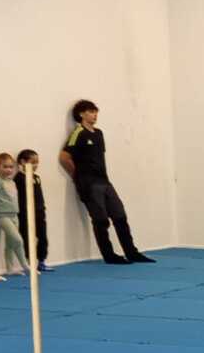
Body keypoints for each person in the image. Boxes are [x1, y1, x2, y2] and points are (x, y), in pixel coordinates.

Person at [58, 99, 154, 265]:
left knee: (120, 216)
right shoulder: (78, 133)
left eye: (96, 112)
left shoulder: (99, 133)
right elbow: (64, 157)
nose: (94, 115)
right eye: (90, 112)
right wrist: (77, 175)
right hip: (89, 184)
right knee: (101, 220)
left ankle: (131, 252)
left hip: (104, 181)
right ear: (81, 114)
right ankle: (109, 255)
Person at [0, 154, 29, 276]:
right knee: (18, 240)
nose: (9, 170)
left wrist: (16, 211)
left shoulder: (12, 182)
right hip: (2, 215)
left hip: (14, 214)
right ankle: (25, 265)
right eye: (5, 167)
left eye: (11, 167)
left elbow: (14, 199)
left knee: (10, 243)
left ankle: (9, 268)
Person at [14, 149, 52, 273]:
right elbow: (19, 197)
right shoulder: (19, 178)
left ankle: (41, 261)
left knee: (42, 237)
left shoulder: (36, 177)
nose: (36, 165)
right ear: (22, 162)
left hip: (39, 212)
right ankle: (29, 262)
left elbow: (39, 195)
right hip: (25, 214)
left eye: (37, 162)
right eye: (33, 162)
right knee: (27, 238)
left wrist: (42, 208)